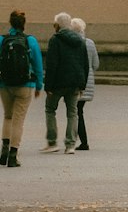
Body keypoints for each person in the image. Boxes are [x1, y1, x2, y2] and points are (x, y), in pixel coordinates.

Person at [0, 10, 44, 168]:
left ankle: (3, 151)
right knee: (18, 120)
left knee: (8, 116)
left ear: (10, 23)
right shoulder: (30, 41)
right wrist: (39, 85)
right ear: (24, 24)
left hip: (4, 85)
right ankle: (13, 155)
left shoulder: (1, 40)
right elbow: (38, 65)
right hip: (25, 85)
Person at [43, 12, 90, 153]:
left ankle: (52, 142)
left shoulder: (55, 40)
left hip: (58, 83)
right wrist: (83, 85)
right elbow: (85, 64)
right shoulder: (80, 41)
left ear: (57, 25)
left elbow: (51, 64)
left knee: (50, 110)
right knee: (72, 113)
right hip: (75, 82)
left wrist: (48, 85)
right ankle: (70, 145)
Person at [70, 17, 99, 150]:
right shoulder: (90, 43)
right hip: (88, 82)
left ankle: (80, 141)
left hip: (75, 81)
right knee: (78, 111)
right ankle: (80, 140)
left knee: (75, 112)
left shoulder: (70, 43)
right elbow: (95, 64)